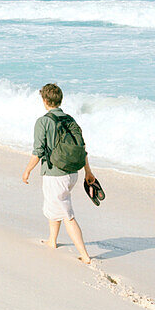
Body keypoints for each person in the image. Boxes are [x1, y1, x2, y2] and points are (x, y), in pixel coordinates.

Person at [21, 83, 95, 263]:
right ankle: (52, 240)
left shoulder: (43, 121)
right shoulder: (70, 119)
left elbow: (38, 151)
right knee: (55, 205)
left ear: (45, 100)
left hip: (55, 174)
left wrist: (27, 170)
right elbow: (82, 148)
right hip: (72, 173)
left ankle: (84, 255)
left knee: (66, 214)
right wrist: (88, 172)